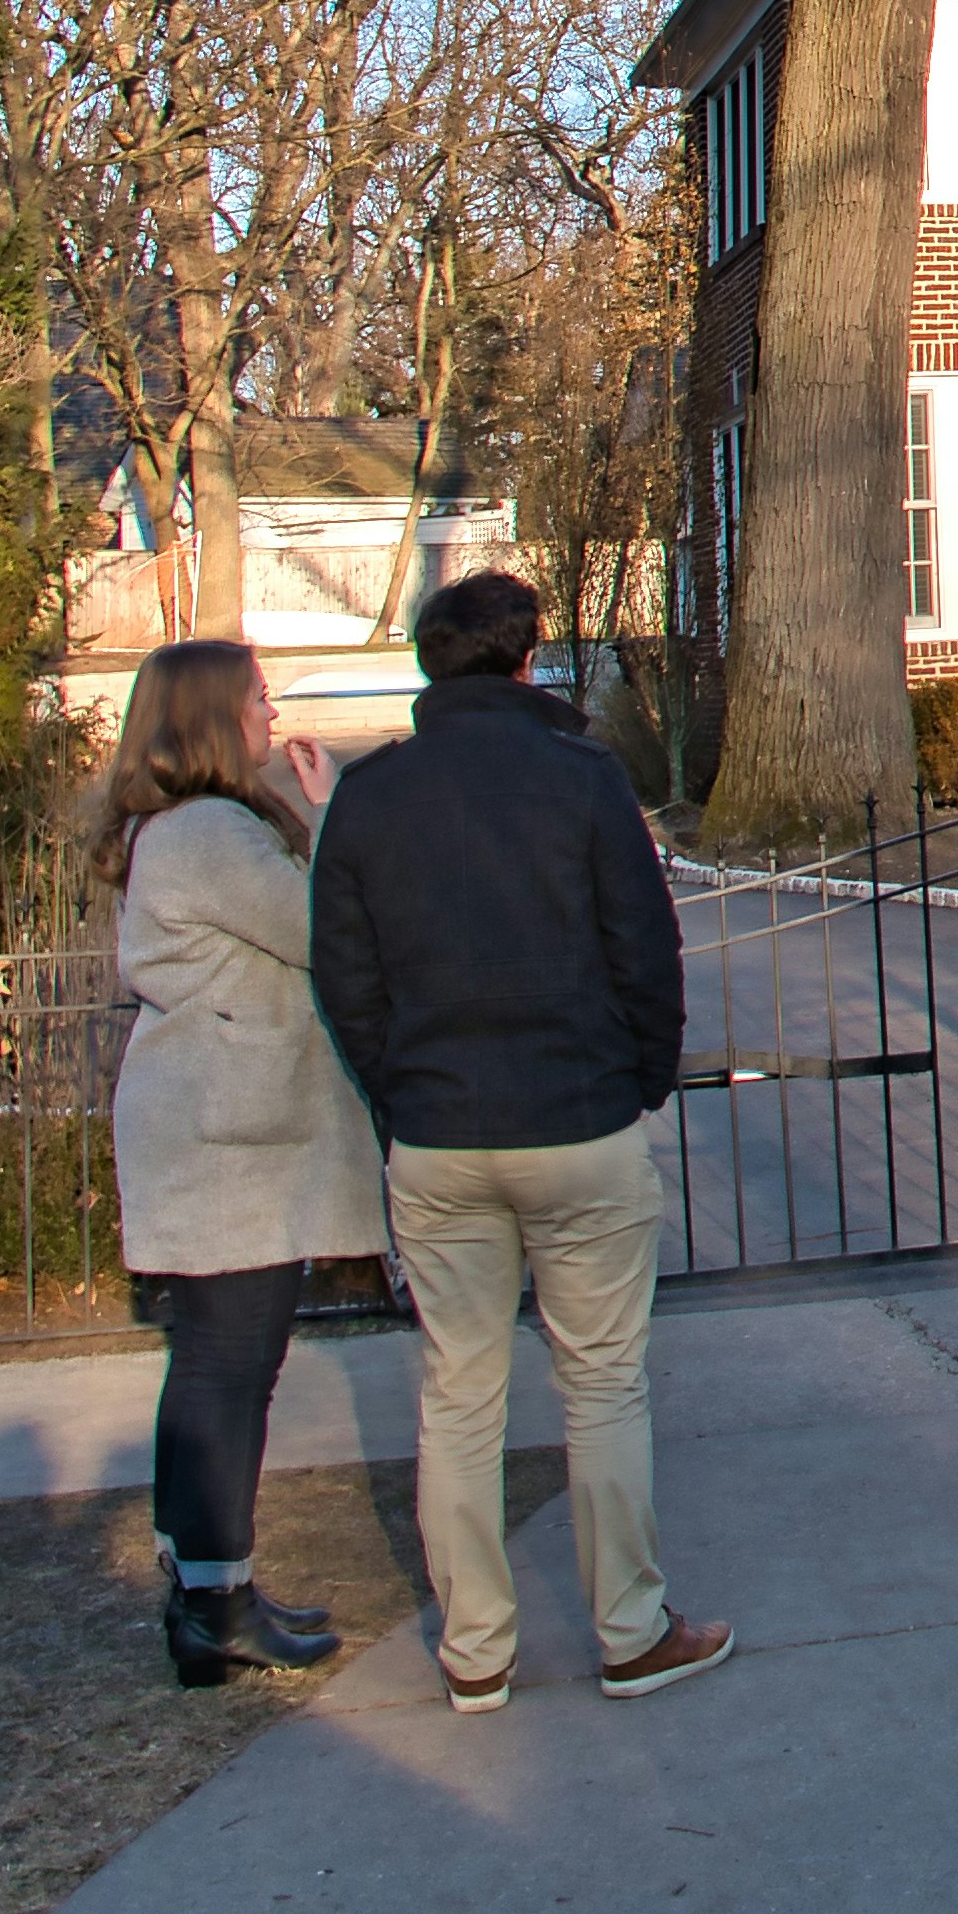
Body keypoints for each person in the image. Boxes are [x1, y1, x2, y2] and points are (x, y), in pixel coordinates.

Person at [310, 568, 725, 1712]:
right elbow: (644, 948)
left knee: (459, 1391)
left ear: (429, 666)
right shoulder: (583, 781)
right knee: (601, 1382)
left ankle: (476, 1648)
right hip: (577, 1118)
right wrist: (640, 1078)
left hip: (442, 1129)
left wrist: (398, 1097)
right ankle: (630, 1629)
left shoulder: (371, 796)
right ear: (529, 656)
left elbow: (345, 977)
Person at [93, 638, 387, 1688]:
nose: (274, 713)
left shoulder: (181, 828)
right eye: (260, 698)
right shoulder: (210, 832)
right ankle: (215, 1604)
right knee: (230, 1368)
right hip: (234, 1147)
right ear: (215, 715)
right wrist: (338, 807)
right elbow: (327, 928)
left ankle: (207, 1584)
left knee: (214, 1364)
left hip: (223, 1136)